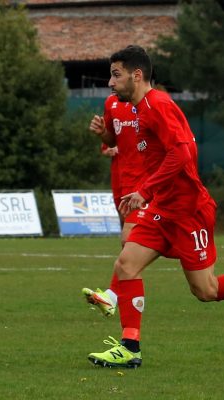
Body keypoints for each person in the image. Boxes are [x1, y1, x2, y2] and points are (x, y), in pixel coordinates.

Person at [86, 45, 224, 369]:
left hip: (189, 210)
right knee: (126, 264)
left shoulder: (159, 105)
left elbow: (184, 152)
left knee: (207, 290)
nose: (110, 82)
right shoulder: (139, 109)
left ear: (136, 75)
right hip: (162, 208)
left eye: (116, 74)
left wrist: (144, 190)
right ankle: (130, 346)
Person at [82, 95, 144, 317]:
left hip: (148, 182)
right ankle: (116, 297)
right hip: (125, 179)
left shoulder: (154, 103)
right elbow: (111, 140)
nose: (110, 81)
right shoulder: (111, 103)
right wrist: (102, 134)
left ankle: (113, 296)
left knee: (130, 239)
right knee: (132, 242)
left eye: (116, 74)